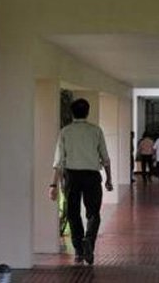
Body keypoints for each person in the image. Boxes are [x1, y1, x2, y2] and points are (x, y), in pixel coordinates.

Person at [48, 98, 113, 266]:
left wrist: (53, 185)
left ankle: (78, 250)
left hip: (72, 176)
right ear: (87, 112)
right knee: (93, 213)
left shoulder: (65, 131)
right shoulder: (96, 130)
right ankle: (89, 241)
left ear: (72, 113)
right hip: (92, 176)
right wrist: (109, 179)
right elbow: (105, 157)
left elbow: (59, 161)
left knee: (73, 213)